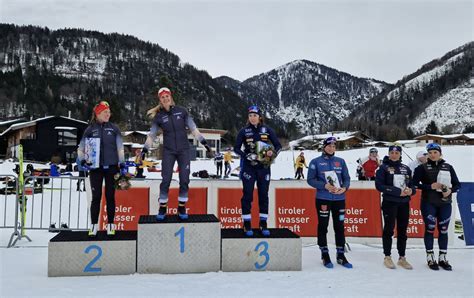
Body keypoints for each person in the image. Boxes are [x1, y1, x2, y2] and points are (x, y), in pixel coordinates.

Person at [141, 87, 212, 220]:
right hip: (168, 151)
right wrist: (145, 149)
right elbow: (152, 135)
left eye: (167, 96)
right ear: (160, 100)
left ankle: (181, 206)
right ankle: (162, 207)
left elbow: (193, 128)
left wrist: (204, 142)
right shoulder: (159, 117)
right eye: (162, 97)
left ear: (171, 97)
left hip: (184, 150)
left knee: (184, 179)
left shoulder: (182, 111)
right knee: (166, 179)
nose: (165, 99)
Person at [77, 101, 125, 237]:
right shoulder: (90, 129)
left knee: (110, 197)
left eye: (109, 112)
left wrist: (122, 163)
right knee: (96, 197)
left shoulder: (114, 129)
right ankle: (93, 225)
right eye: (105, 112)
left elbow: (120, 148)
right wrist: (82, 160)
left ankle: (110, 225)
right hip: (95, 169)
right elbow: (81, 148)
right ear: (98, 114)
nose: (108, 114)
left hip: (111, 168)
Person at [234, 105, 282, 236]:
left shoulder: (267, 130)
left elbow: (278, 146)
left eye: (255, 115)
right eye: (250, 115)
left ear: (260, 117)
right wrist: (246, 155)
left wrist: (272, 154)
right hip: (248, 168)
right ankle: (247, 224)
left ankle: (263, 223)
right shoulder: (244, 131)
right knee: (247, 195)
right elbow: (236, 148)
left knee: (263, 195)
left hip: (264, 168)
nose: (252, 118)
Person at [413, 143, 461, 271]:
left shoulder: (448, 167)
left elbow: (457, 185)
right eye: (430, 153)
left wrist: (450, 190)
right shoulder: (421, 168)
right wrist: (430, 187)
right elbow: (413, 184)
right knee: (430, 229)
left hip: (445, 203)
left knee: (443, 230)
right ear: (427, 154)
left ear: (440, 153)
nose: (433, 155)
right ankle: (430, 257)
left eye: (435, 152)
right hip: (429, 203)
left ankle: (443, 258)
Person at [307, 136, 352, 269]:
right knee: (323, 225)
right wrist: (324, 186)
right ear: (324, 147)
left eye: (334, 146)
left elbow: (347, 178)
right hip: (323, 198)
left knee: (339, 226)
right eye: (329, 146)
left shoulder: (341, 161)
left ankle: (340, 254)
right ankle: (324, 253)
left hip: (339, 199)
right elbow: (310, 180)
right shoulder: (316, 162)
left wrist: (344, 188)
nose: (331, 148)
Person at [375, 145, 416, 270]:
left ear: (400, 154)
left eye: (396, 153)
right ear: (388, 153)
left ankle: (402, 257)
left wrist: (410, 191)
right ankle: (387, 256)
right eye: (391, 152)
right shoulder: (383, 168)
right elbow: (379, 186)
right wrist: (397, 191)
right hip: (390, 202)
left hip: (404, 203)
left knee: (403, 230)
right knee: (389, 230)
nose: (394, 155)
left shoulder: (406, 168)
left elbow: (412, 186)